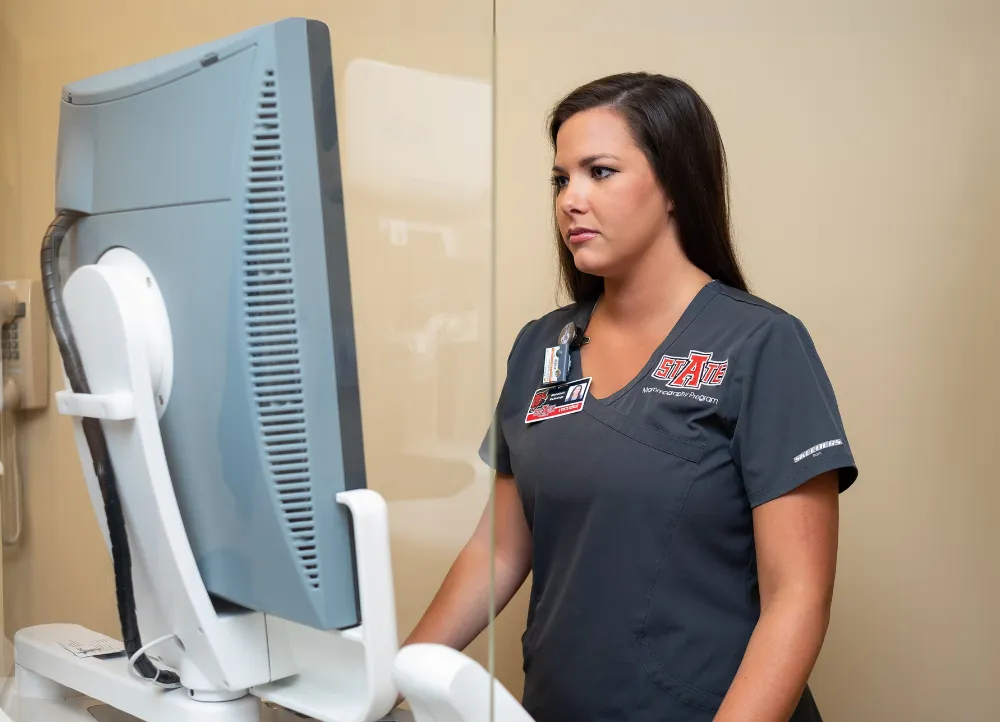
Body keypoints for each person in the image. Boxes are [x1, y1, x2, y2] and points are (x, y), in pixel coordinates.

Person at [402, 72, 858, 722]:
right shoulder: (541, 347)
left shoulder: (760, 344)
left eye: (600, 172)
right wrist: (393, 680)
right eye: (562, 179)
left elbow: (799, 598)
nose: (570, 200)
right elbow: (499, 551)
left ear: (673, 184)